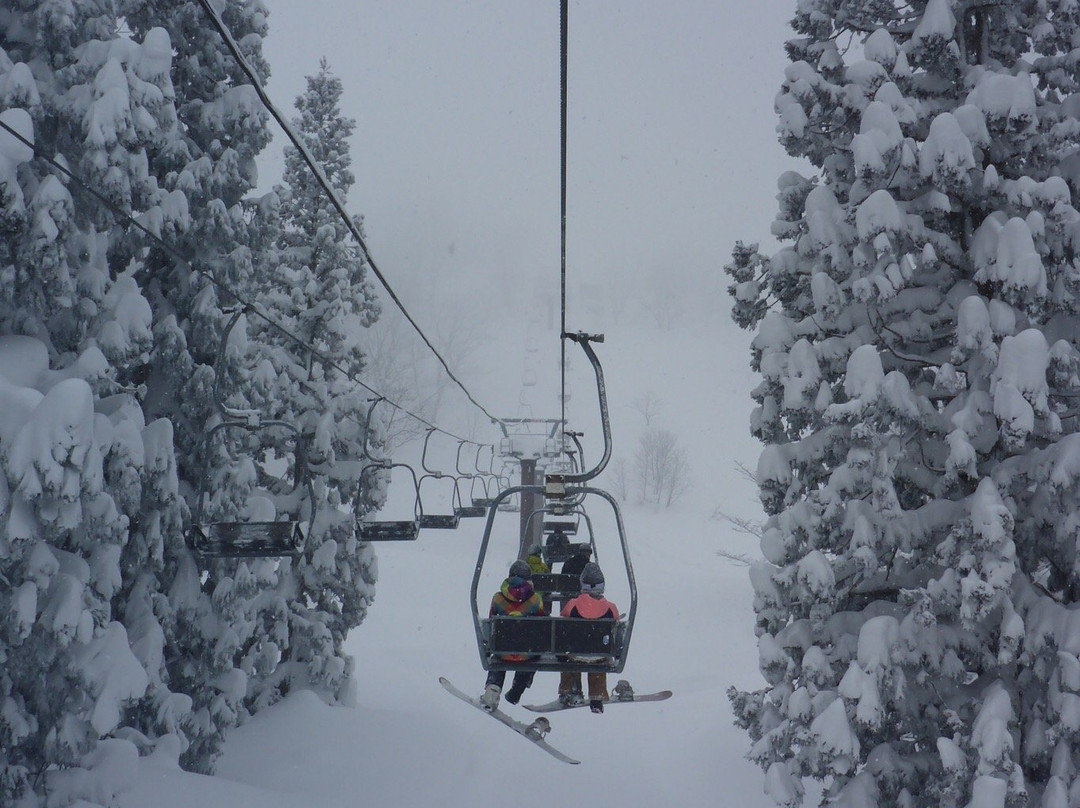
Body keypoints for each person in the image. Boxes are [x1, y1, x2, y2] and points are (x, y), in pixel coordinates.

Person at [480, 559, 545, 711]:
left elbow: (491, 622)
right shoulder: (536, 600)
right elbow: (542, 626)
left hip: (503, 651)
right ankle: (517, 690)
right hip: (527, 653)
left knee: (499, 655)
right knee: (529, 656)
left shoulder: (497, 598)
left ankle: (492, 690)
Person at [559, 562, 619, 713]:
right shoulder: (610, 608)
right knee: (598, 658)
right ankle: (597, 697)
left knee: (571, 658)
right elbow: (616, 631)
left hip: (575, 654)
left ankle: (572, 691)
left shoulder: (572, 604)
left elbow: (562, 624)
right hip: (599, 655)